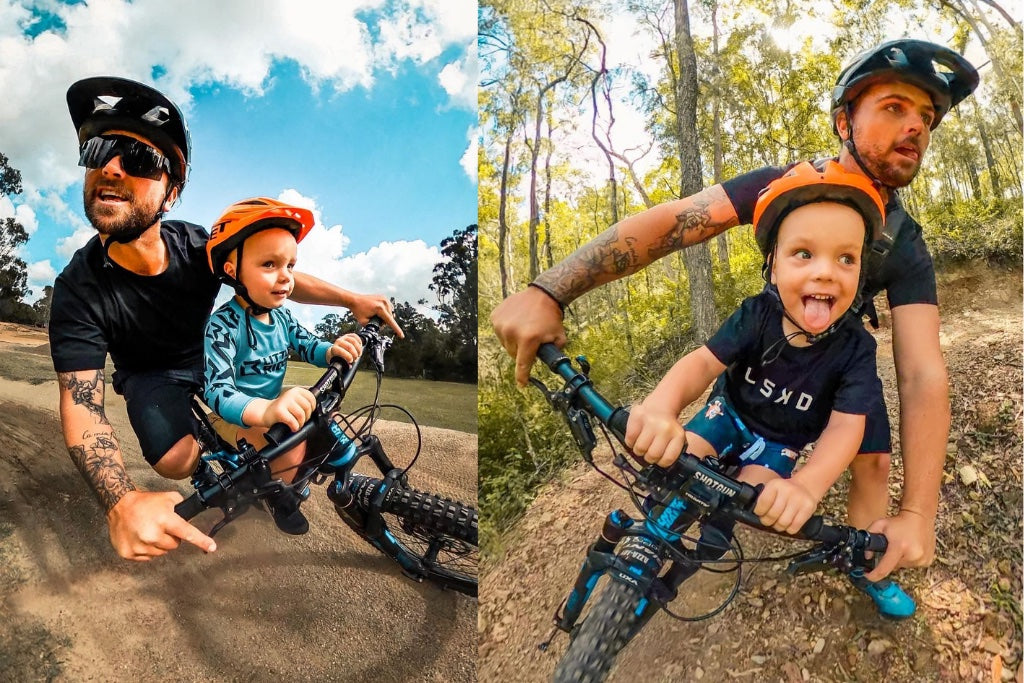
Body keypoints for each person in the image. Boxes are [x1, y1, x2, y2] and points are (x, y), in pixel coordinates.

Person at [491, 40, 979, 609]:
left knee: (872, 458)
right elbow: (674, 224)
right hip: (771, 342)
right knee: (693, 450)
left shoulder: (905, 242)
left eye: (927, 119)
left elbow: (920, 371)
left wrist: (918, 512)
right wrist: (550, 289)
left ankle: (867, 562)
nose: (916, 127)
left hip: (840, 354)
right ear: (845, 119)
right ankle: (644, 545)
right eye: (896, 107)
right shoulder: (782, 186)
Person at [49, 76, 402, 561]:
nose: (110, 167)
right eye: (98, 151)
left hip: (214, 351)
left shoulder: (198, 247)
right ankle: (203, 465)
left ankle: (260, 469)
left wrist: (350, 300)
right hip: (151, 375)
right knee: (176, 458)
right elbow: (81, 404)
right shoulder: (77, 290)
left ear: (171, 195)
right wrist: (121, 501)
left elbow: (267, 278)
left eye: (138, 160)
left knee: (283, 431)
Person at [627, 161, 913, 618]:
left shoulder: (856, 347)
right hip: (730, 414)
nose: (826, 272)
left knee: (749, 503)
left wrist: (807, 486)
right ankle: (653, 539)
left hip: (780, 442)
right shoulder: (756, 314)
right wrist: (662, 408)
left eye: (846, 258)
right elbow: (702, 363)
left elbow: (846, 426)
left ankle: (693, 558)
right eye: (804, 253)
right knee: (677, 468)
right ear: (772, 265)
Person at [202, 197, 364, 535]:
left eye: (290, 266)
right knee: (288, 450)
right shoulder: (222, 326)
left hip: (273, 407)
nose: (285, 277)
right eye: (269, 265)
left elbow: (306, 344)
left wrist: (332, 348)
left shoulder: (282, 316)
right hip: (235, 415)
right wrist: (264, 410)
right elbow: (217, 391)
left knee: (318, 417)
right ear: (233, 271)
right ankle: (277, 496)